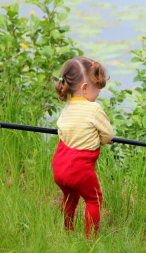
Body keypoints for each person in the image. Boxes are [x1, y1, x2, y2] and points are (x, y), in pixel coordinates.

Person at [52, 56, 113, 239]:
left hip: (60, 166)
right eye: (97, 88)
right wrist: (103, 140)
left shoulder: (67, 109)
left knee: (70, 197)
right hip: (79, 169)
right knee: (94, 199)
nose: (99, 94)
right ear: (85, 88)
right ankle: (90, 241)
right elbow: (108, 135)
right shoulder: (94, 110)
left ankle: (67, 231)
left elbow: (62, 133)